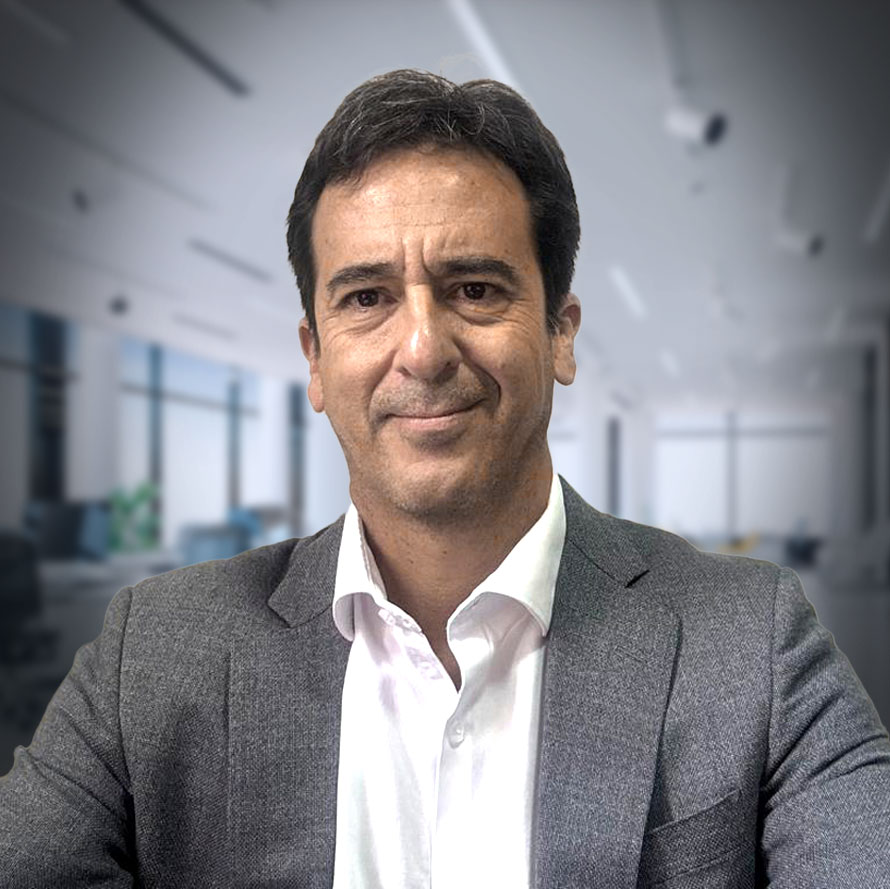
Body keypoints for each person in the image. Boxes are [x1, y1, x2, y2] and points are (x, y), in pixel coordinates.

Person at [1, 69, 889, 888]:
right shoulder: (153, 655)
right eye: (366, 298)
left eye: (473, 289)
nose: (423, 351)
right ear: (315, 359)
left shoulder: (754, 646)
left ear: (560, 333)